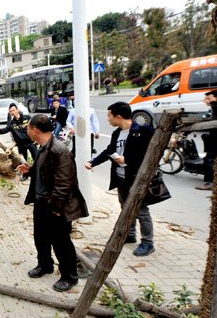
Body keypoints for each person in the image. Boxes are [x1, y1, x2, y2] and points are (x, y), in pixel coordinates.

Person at [17, 115, 88, 292]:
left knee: (61, 242)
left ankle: (70, 277)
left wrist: (56, 209)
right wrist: (31, 170)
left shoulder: (59, 150)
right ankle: (45, 265)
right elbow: (45, 171)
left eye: (28, 128)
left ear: (35, 130)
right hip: (42, 203)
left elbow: (64, 183)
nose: (26, 131)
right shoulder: (43, 148)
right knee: (40, 237)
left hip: (57, 206)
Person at [84, 102, 156, 256]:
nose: (108, 119)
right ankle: (130, 235)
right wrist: (93, 162)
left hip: (137, 178)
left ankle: (148, 243)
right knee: (125, 207)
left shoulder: (143, 131)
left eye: (109, 116)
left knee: (141, 210)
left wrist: (128, 159)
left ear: (118, 116)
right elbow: (109, 151)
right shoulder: (117, 133)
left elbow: (151, 155)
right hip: (121, 178)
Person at [197, 89, 217, 190]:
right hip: (212, 136)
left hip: (215, 139)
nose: (206, 101)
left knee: (209, 159)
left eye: (208, 98)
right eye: (205, 99)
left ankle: (210, 183)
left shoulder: (215, 106)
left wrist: (213, 103)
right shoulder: (212, 108)